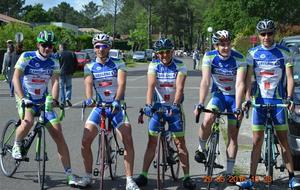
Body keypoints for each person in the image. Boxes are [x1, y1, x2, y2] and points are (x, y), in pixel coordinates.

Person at [236, 19, 300, 189]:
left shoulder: (284, 52)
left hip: (278, 102)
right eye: (263, 34)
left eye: (269, 33)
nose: (266, 37)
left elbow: (289, 78)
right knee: (257, 141)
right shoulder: (252, 53)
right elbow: (248, 79)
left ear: (274, 34)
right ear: (259, 35)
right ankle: (251, 178)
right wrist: (247, 98)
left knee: (283, 141)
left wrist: (289, 98)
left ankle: (292, 177)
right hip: (259, 102)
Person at [11, 30, 77, 186]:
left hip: (43, 100)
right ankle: (17, 144)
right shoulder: (27, 56)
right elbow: (15, 77)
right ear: (38, 45)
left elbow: (55, 82)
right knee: (27, 122)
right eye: (44, 45)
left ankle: (69, 175)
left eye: (50, 46)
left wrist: (54, 99)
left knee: (59, 135)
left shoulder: (53, 61)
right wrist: (23, 98)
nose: (47, 48)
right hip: (26, 97)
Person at [77, 33, 139, 190]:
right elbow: (88, 84)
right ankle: (88, 176)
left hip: (117, 107)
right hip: (100, 107)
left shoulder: (118, 63)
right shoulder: (89, 66)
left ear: (109, 48)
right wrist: (90, 99)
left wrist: (117, 100)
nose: (101, 49)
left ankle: (129, 180)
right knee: (85, 140)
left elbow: (121, 83)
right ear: (94, 48)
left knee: (127, 138)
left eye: (104, 46)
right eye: (97, 46)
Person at [134, 38, 196, 189]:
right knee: (152, 142)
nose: (164, 55)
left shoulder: (180, 65)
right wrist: (148, 105)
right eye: (161, 52)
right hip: (158, 106)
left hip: (174, 107)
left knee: (180, 143)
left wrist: (175, 105)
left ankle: (187, 177)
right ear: (157, 54)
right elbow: (151, 86)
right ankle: (143, 175)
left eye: (167, 52)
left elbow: (179, 88)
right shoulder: (154, 64)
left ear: (172, 52)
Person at [193, 30, 247, 179]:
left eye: (228, 44)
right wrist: (200, 103)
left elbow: (240, 83)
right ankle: (201, 148)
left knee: (232, 135)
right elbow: (205, 81)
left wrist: (237, 107)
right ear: (216, 45)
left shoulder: (239, 58)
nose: (225, 47)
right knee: (207, 118)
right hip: (219, 95)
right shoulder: (209, 56)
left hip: (234, 97)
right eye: (222, 44)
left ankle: (229, 173)